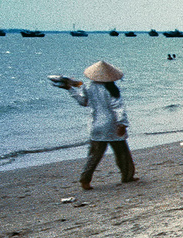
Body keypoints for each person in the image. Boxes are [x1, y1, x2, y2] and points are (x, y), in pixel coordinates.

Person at [53, 60, 135, 189]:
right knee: (122, 153)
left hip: (96, 124)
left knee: (94, 155)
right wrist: (122, 124)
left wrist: (70, 89)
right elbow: (118, 108)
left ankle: (85, 179)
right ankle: (127, 176)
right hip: (112, 124)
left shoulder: (88, 86)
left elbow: (83, 102)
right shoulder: (112, 89)